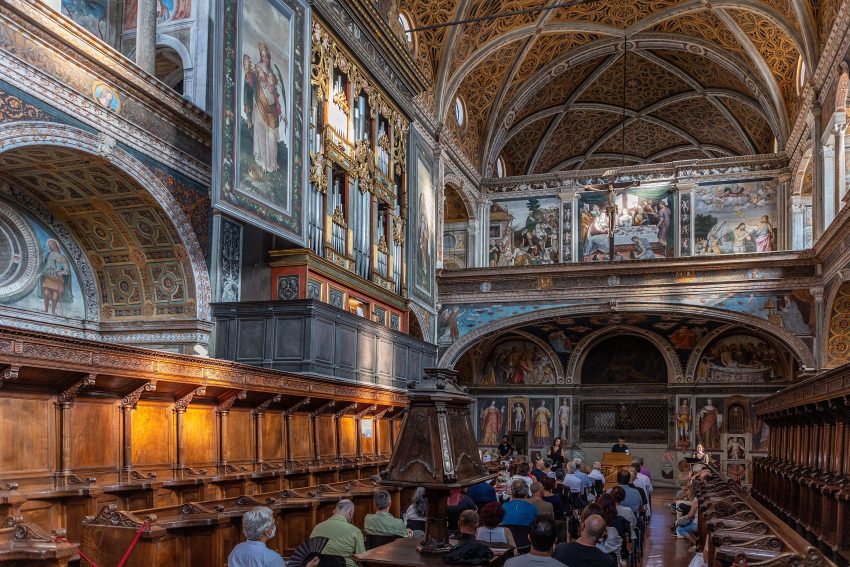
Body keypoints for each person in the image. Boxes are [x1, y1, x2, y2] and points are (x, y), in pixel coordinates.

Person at [228, 506, 293, 567]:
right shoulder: (273, 558)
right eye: (274, 524)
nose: (275, 526)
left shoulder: (237, 549)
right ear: (267, 531)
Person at [309, 499, 364, 567]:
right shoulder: (355, 531)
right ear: (350, 513)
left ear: (333, 511)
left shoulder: (317, 527)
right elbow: (361, 558)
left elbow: (311, 553)